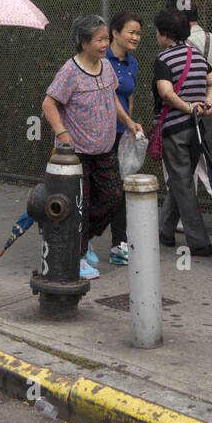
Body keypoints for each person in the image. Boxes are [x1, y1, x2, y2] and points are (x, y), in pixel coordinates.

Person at [42, 15, 143, 281]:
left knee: (112, 197)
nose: (104, 44)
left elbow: (113, 98)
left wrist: (129, 122)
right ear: (83, 42)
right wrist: (62, 133)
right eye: (99, 39)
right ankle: (77, 256)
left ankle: (84, 239)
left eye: (106, 39)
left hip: (105, 149)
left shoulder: (107, 67)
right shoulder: (69, 72)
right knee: (79, 204)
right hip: (77, 153)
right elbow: (49, 104)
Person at [152, 7, 212, 256]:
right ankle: (164, 230)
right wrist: (206, 104)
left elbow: (165, 93)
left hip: (175, 130)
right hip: (198, 129)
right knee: (181, 180)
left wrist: (185, 107)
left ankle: (199, 242)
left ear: (162, 34)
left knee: (182, 183)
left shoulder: (163, 60)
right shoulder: (197, 56)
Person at [104, 10, 142, 266]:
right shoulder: (100, 58)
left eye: (138, 33)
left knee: (119, 189)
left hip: (121, 134)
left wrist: (129, 124)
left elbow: (128, 96)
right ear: (115, 33)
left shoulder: (133, 64)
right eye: (131, 32)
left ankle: (119, 244)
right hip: (98, 134)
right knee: (103, 190)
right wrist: (127, 121)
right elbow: (108, 95)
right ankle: (78, 242)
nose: (136, 37)